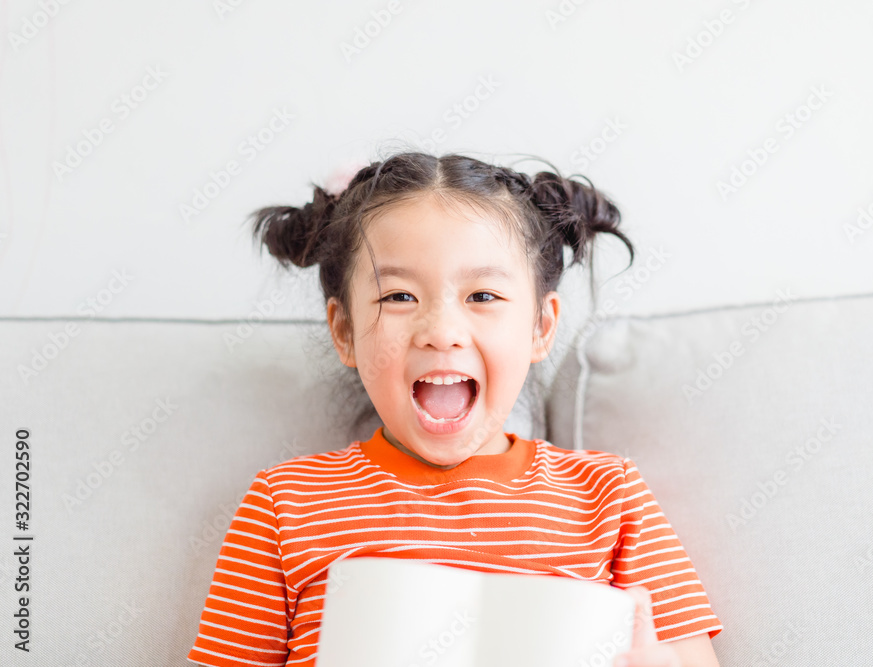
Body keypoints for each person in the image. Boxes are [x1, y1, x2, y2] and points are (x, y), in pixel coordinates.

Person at [187, 151, 723, 667]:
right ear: (345, 331)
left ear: (541, 326)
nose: (442, 332)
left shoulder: (610, 496)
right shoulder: (285, 504)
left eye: (483, 296)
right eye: (398, 297)